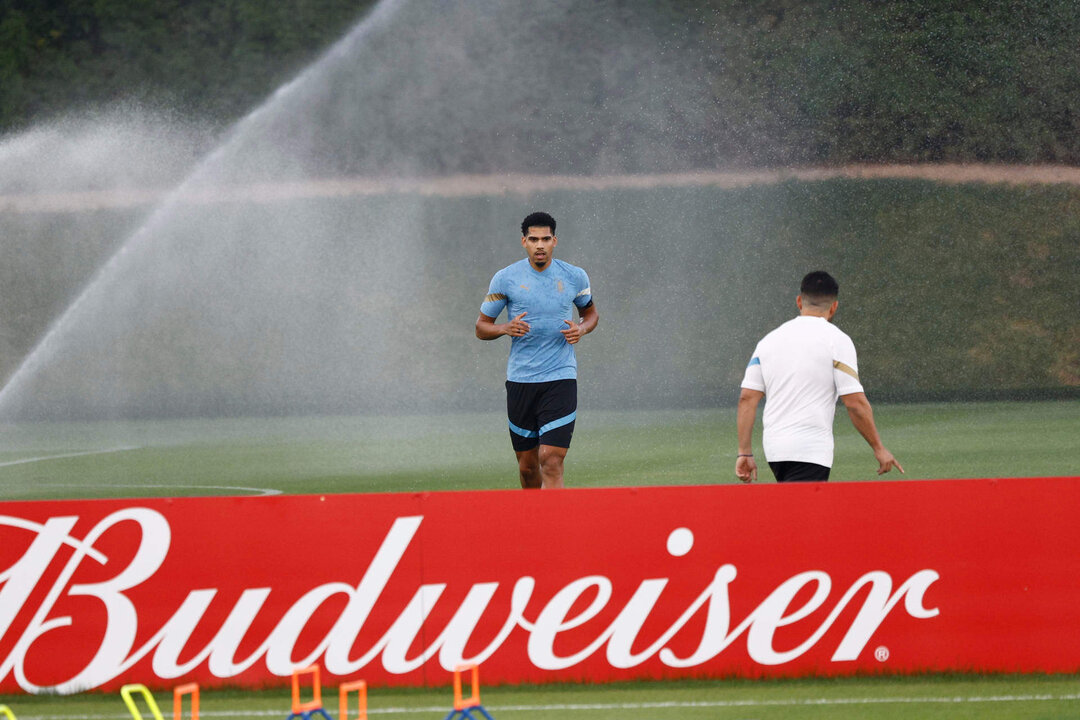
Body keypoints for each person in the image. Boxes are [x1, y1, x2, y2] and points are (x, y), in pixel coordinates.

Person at [735, 271, 903, 483]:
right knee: (804, 514)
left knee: (798, 512)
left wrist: (744, 452)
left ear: (799, 301)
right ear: (834, 307)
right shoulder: (837, 340)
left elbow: (747, 398)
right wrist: (878, 448)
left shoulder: (768, 341)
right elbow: (854, 403)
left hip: (775, 449)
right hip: (810, 448)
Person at [475, 212, 598, 489]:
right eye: (533, 239)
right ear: (523, 242)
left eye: (545, 239)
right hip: (521, 380)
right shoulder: (505, 278)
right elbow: (481, 328)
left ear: (555, 241)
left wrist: (582, 329)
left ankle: (555, 525)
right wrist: (505, 328)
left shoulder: (574, 276)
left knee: (551, 459)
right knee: (528, 467)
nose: (539, 245)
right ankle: (533, 524)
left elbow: (590, 314)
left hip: (560, 377)